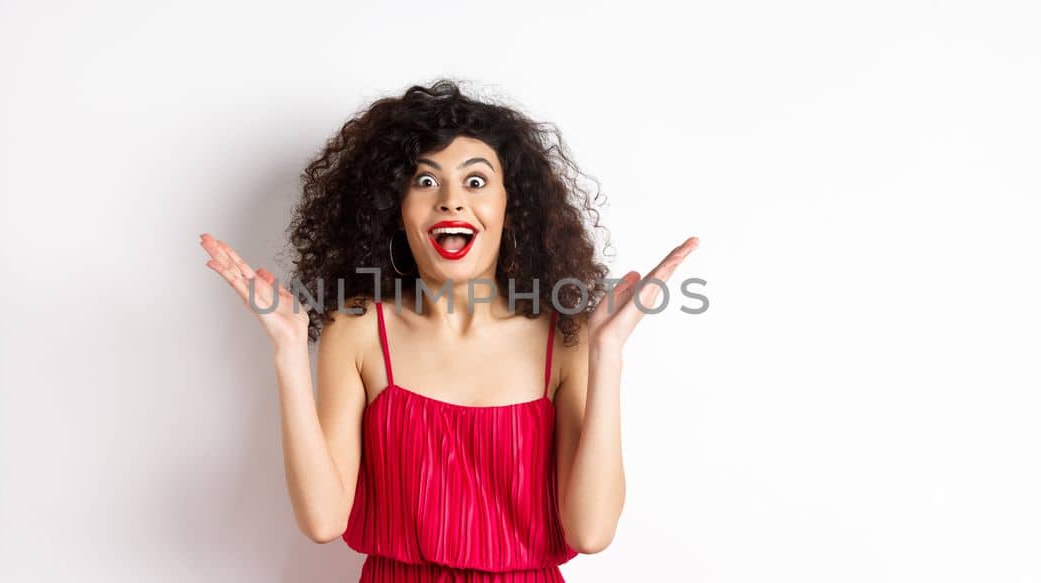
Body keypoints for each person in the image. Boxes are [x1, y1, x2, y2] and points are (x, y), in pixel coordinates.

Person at [199, 79, 698, 582]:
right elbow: (324, 520)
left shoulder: (564, 338)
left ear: (512, 206)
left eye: (476, 182)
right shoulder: (358, 328)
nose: (452, 202)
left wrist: (607, 351)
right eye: (426, 181)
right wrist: (287, 352)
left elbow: (590, 533)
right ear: (396, 208)